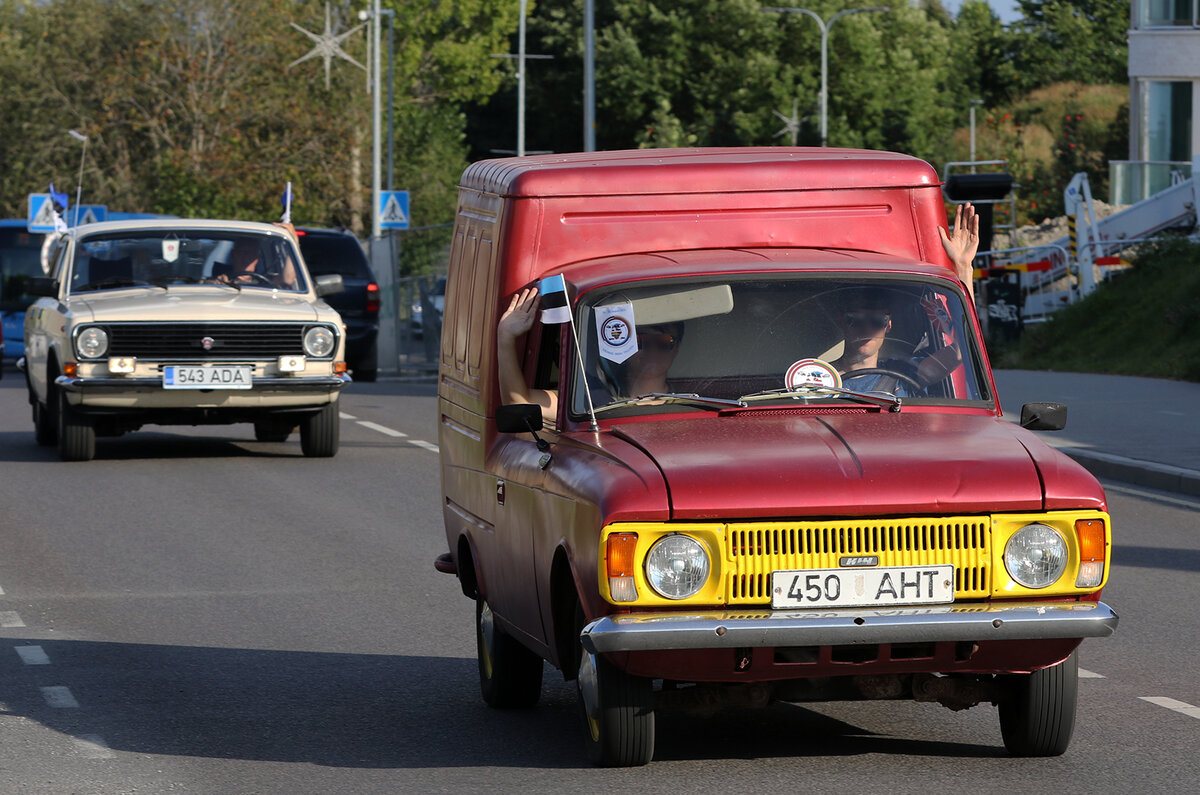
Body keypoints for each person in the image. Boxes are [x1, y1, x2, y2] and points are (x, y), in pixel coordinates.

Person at [831, 202, 980, 396]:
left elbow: (962, 350)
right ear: (841, 320)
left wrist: (964, 267)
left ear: (888, 325)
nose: (867, 328)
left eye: (877, 321)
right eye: (856, 318)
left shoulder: (904, 374)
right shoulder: (815, 378)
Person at [498, 287, 684, 422]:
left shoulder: (691, 404)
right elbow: (520, 403)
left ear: (677, 349)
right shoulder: (590, 399)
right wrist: (505, 336)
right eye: (642, 339)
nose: (652, 350)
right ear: (624, 343)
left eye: (664, 342)